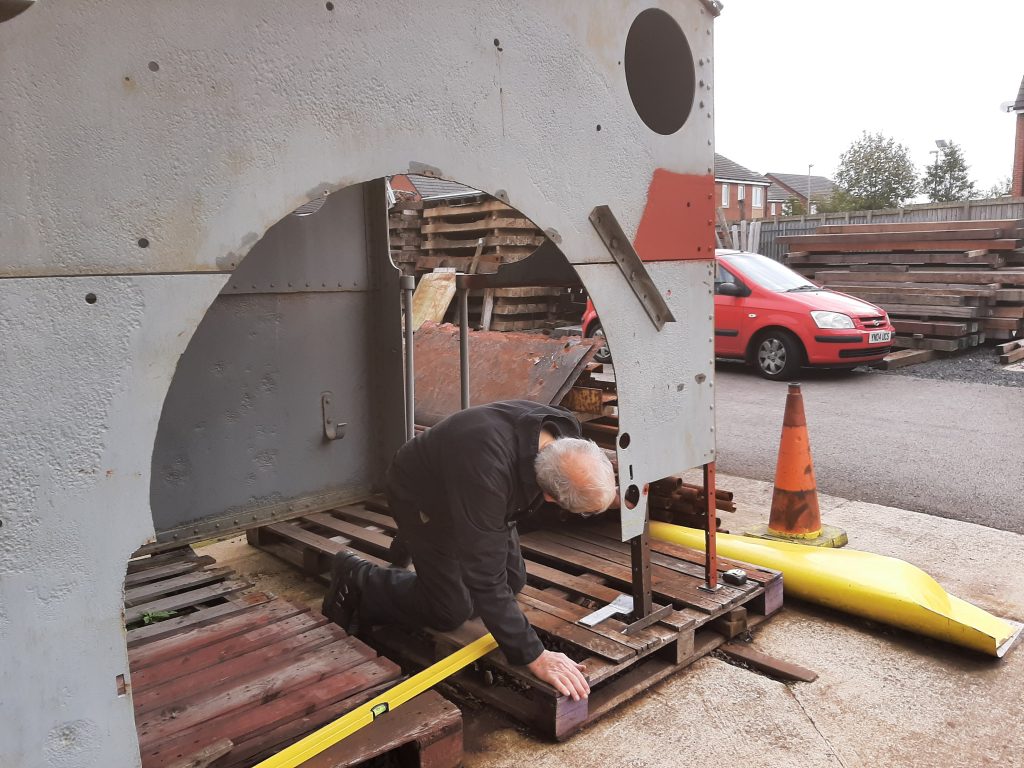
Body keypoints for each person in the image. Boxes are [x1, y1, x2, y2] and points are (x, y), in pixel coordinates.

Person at [322, 399, 617, 701]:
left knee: (513, 581)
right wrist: (534, 654)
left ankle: (419, 551)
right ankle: (359, 576)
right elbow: (485, 578)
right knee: (450, 610)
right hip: (424, 496)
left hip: (481, 494)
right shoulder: (486, 469)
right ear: (549, 496)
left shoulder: (563, 431)